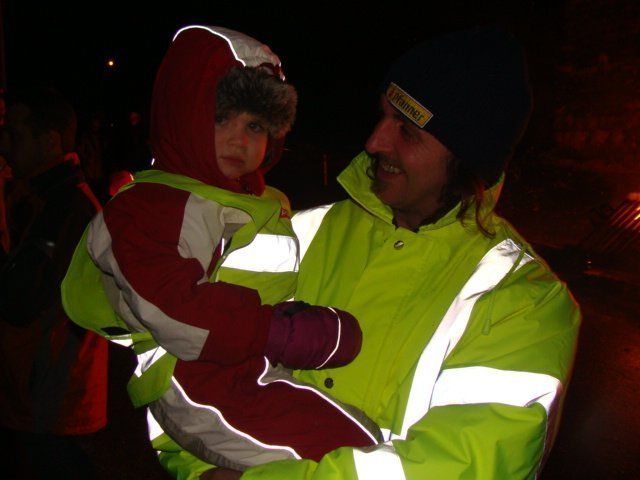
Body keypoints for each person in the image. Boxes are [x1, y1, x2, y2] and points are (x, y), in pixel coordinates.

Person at [162, 26, 581, 480]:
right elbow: (181, 367)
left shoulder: (525, 300)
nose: (375, 142)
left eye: (407, 131)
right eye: (382, 116)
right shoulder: (289, 233)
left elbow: (464, 464)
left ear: (467, 158)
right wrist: (198, 471)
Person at [62, 25, 380, 474]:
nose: (239, 139)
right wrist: (280, 332)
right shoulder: (152, 204)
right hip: (196, 374)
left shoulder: (259, 202)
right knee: (347, 455)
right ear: (180, 116)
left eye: (255, 125)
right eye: (220, 119)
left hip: (249, 363)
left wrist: (295, 322)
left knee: (362, 440)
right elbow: (171, 304)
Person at [0, 88, 107, 479]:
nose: (5, 145)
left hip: (51, 400)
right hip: (41, 395)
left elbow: (18, 300)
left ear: (49, 141)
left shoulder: (66, 206)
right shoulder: (43, 196)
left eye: (15, 134)